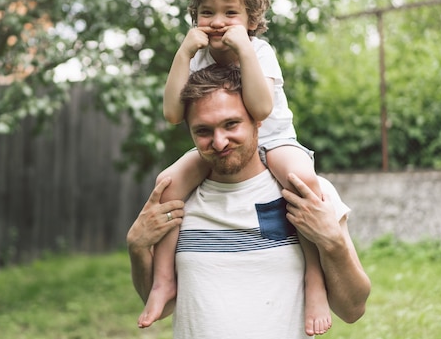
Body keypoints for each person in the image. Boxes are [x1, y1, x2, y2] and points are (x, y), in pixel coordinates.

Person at [138, 0, 329, 336]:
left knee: (302, 179)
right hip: (218, 143)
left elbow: (260, 110)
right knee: (167, 184)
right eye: (207, 12)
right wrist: (182, 54)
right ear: (194, 17)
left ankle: (315, 281)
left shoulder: (259, 50)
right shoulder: (197, 54)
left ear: (252, 20)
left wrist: (243, 50)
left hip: (272, 140)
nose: (218, 21)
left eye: (231, 13)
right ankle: (163, 281)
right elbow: (173, 113)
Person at [128, 64, 370, 338]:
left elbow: (352, 309)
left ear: (258, 119)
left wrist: (332, 242)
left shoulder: (307, 195)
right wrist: (137, 248)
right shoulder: (178, 201)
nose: (219, 142)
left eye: (231, 124)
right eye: (204, 131)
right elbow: (162, 301)